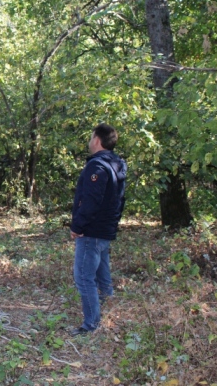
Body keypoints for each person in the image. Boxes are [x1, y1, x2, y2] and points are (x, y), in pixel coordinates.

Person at [69, 123, 127, 336]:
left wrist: (78, 225)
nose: (89, 140)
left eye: (91, 136)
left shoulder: (98, 166)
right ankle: (109, 311)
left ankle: (91, 324)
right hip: (104, 229)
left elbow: (91, 200)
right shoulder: (117, 164)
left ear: (97, 140)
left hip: (92, 231)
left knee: (84, 277)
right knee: (103, 274)